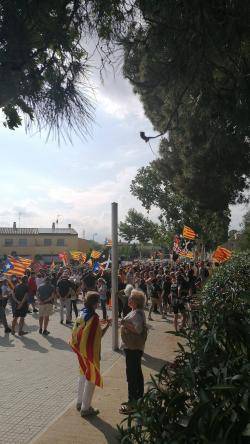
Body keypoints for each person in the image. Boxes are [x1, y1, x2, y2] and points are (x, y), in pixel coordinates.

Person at [70, 291, 111, 417]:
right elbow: (98, 337)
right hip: (90, 352)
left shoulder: (82, 312)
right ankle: (85, 408)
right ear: (95, 303)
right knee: (91, 378)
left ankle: (80, 402)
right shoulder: (94, 317)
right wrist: (108, 324)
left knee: (82, 374)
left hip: (79, 349)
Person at [120, 290, 147, 414]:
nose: (129, 300)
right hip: (133, 348)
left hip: (133, 348)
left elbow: (138, 329)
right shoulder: (136, 312)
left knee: (132, 375)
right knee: (136, 373)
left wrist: (125, 323)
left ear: (136, 302)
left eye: (131, 298)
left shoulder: (137, 314)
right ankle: (138, 399)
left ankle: (132, 403)